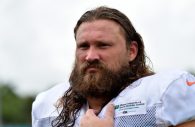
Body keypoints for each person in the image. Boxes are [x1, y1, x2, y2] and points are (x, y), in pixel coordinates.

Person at [32, 6, 195, 127]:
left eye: (102, 45)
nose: (90, 56)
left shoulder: (165, 92)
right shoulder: (47, 106)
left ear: (131, 51)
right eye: (83, 46)